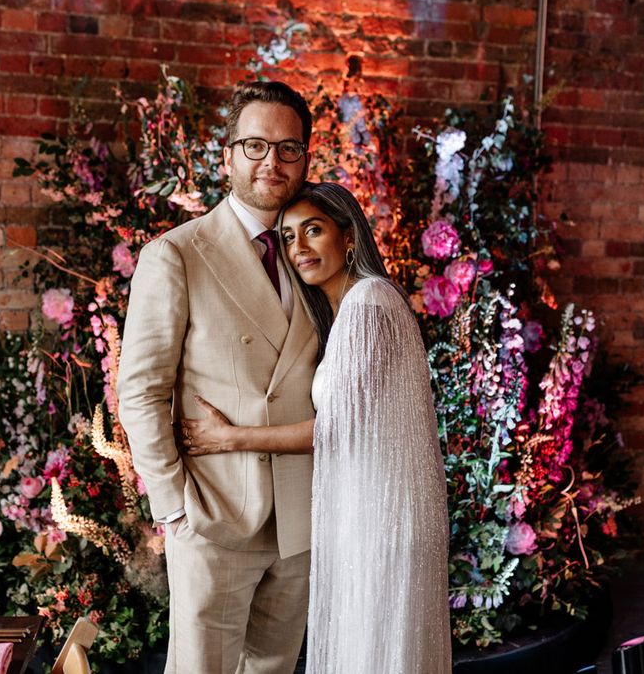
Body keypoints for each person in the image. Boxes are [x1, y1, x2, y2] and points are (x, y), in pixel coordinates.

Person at [181, 182, 452, 673]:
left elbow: (336, 429)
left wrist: (231, 437)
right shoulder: (350, 309)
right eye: (286, 237)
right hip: (369, 506)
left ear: (348, 238)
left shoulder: (369, 303)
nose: (299, 247)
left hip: (381, 515)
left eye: (313, 230)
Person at [117, 81, 318, 673]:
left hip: (300, 514)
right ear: (227, 155)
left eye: (288, 148)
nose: (271, 162)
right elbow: (141, 389)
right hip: (215, 511)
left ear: (306, 157)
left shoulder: (318, 252)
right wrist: (173, 508)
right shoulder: (177, 254)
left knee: (275, 669)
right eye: (255, 145)